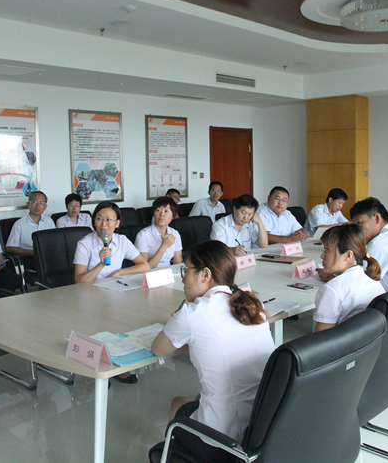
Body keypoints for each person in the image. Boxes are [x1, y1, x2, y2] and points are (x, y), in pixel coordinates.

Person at [151, 241, 275, 462]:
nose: (183, 279)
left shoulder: (193, 314)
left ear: (205, 274)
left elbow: (158, 349)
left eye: (186, 271)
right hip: (264, 433)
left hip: (222, 442)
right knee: (201, 397)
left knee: (178, 404)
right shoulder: (254, 307)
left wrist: (185, 333)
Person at [313, 224, 385, 332]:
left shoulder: (332, 290)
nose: (322, 255)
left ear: (348, 256)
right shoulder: (375, 283)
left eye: (327, 250)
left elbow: (321, 337)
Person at [73, 201, 150, 283]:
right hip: (91, 288)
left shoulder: (122, 241)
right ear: (94, 222)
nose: (103, 224)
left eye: (108, 219)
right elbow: (79, 281)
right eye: (99, 219)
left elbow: (145, 266)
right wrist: (101, 265)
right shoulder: (84, 244)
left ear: (117, 223)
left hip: (115, 285)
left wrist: (119, 272)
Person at [5, 191, 56, 269]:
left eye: (41, 203)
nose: (37, 206)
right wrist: (33, 252)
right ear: (28, 204)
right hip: (29, 258)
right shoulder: (19, 224)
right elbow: (10, 248)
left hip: (48, 257)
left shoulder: (49, 221)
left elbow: (55, 242)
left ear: (45, 207)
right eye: (34, 202)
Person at [135, 196, 183, 268]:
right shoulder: (143, 235)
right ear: (153, 214)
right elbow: (144, 267)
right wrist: (164, 246)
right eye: (158, 210)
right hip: (150, 272)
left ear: (173, 215)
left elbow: (177, 263)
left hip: (169, 271)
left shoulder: (175, 234)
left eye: (166, 211)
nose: (162, 214)